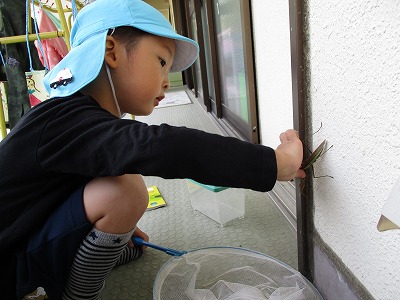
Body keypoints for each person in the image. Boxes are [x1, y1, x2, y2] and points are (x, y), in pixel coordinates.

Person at [0, 0, 305, 299]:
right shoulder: (65, 119)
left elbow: (62, 187)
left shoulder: (70, 116)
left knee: (120, 178)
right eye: (161, 62)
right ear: (111, 51)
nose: (166, 82)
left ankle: (93, 251)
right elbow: (166, 147)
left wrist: (112, 234)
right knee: (126, 191)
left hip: (26, 230)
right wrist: (274, 164)